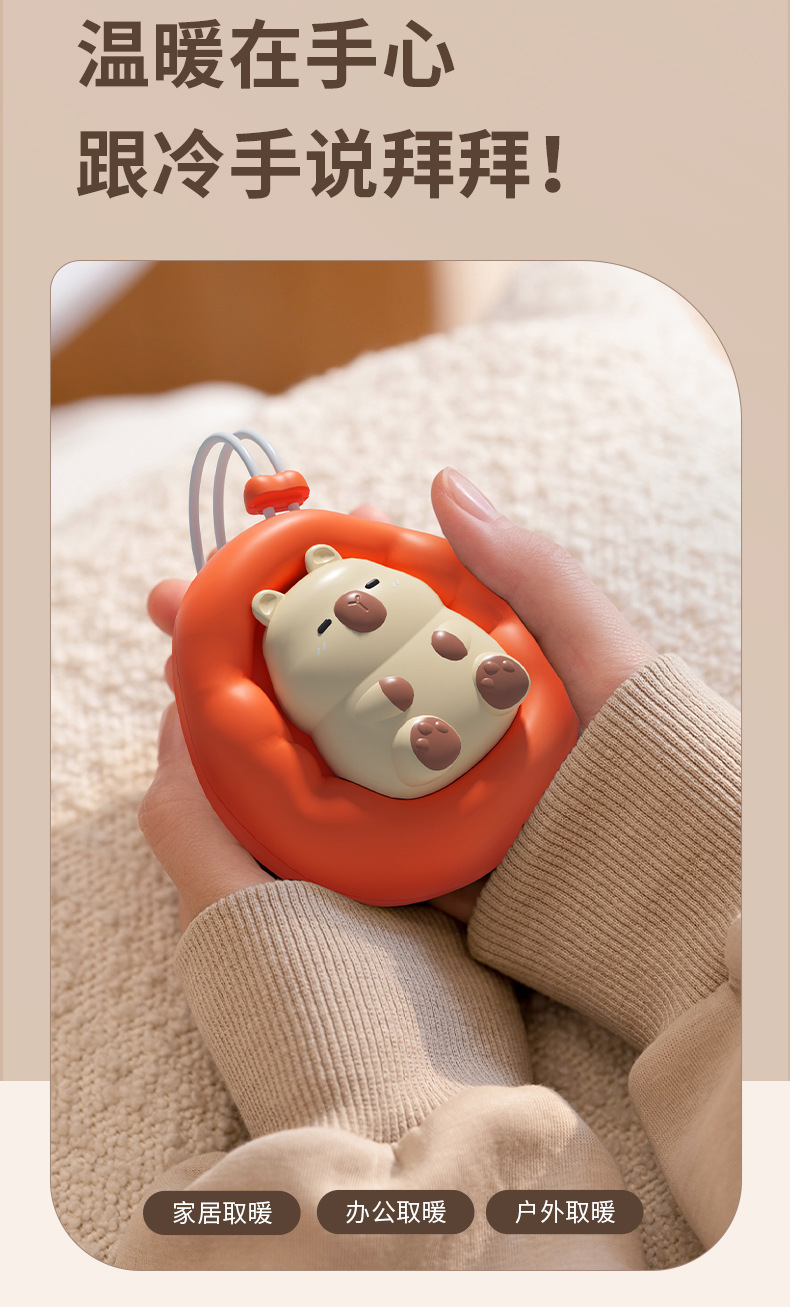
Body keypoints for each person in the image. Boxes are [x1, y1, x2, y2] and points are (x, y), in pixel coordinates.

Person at [115, 467, 741, 1271]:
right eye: (339, 612)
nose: (360, 607)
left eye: (367, 589)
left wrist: (385, 1157)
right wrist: (723, 899)